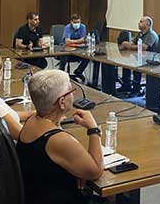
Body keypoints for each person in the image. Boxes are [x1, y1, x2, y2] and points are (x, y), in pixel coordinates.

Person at [16, 70, 104, 204]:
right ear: (62, 102)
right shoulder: (58, 140)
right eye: (70, 91)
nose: (73, 94)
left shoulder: (32, 121)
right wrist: (93, 129)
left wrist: (77, 169)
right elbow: (95, 172)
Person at [118, 16, 159, 97]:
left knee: (136, 65)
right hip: (141, 57)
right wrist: (125, 44)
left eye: (141, 22)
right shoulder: (140, 33)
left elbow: (144, 47)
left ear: (147, 24)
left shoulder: (151, 34)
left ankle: (136, 89)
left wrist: (129, 46)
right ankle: (126, 85)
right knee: (125, 62)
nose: (138, 23)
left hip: (151, 60)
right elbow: (133, 43)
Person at [59, 14, 90, 83]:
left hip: (78, 49)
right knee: (64, 55)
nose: (77, 24)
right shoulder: (68, 27)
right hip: (66, 49)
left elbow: (83, 39)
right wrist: (79, 41)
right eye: (75, 22)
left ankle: (79, 71)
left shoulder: (82, 27)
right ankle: (61, 74)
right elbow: (67, 41)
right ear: (71, 22)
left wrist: (73, 41)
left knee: (88, 56)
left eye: (78, 22)